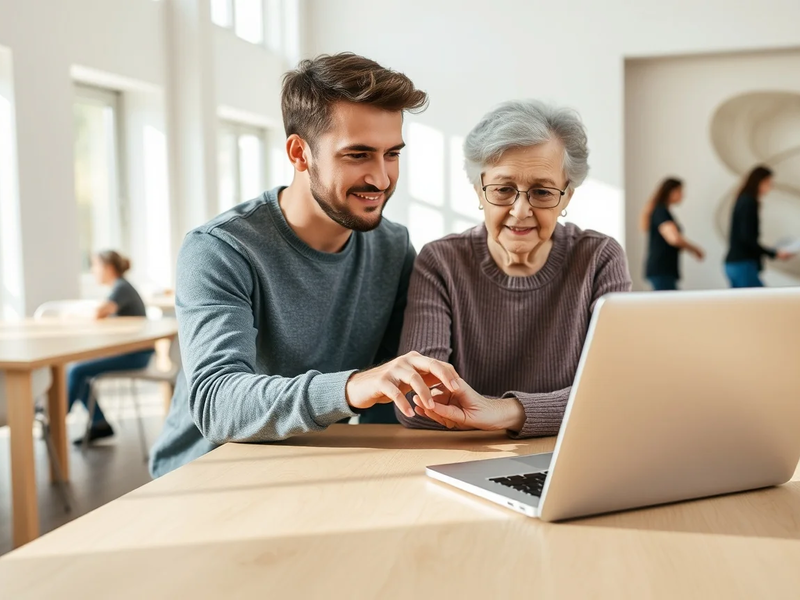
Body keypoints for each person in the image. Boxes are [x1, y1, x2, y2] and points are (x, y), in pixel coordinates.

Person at [149, 53, 460, 477]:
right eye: (358, 155)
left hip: (315, 462)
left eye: (392, 154)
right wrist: (351, 387)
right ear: (300, 153)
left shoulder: (392, 246)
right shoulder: (220, 250)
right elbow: (216, 401)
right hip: (207, 475)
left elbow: (394, 391)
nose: (382, 179)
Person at [395, 100, 631, 438]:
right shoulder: (441, 263)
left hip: (571, 453)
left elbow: (617, 392)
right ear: (479, 190)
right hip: (463, 458)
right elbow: (414, 402)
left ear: (566, 197)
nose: (520, 211)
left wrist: (503, 411)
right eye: (503, 190)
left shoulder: (599, 258)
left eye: (542, 191)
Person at [68, 250, 153, 445]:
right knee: (79, 370)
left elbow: (99, 312)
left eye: (95, 266)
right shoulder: (121, 286)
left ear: (108, 268)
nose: (92, 271)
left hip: (137, 355)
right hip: (131, 352)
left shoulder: (121, 288)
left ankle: (55, 420)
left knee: (77, 370)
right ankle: (99, 423)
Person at [724, 165, 793, 288]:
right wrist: (774, 253)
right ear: (761, 182)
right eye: (769, 183)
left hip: (737, 263)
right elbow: (747, 238)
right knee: (761, 305)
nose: (770, 187)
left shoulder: (743, 200)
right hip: (742, 264)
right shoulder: (749, 202)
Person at [640, 177, 704, 291]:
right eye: (680, 191)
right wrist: (694, 249)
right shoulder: (661, 211)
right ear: (670, 192)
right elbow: (674, 238)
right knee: (668, 306)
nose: (683, 195)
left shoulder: (662, 211)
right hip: (661, 269)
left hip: (663, 270)